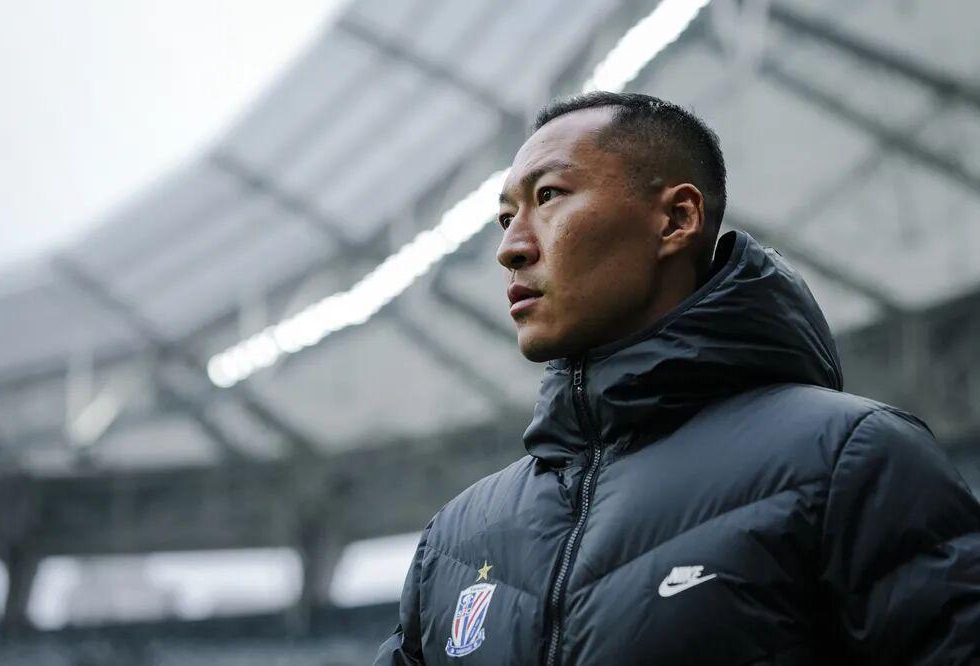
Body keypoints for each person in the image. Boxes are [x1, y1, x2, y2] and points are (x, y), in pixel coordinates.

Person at [374, 92, 980, 664]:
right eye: (506, 217)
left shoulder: (851, 459)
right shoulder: (455, 542)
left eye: (549, 195)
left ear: (676, 219)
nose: (510, 247)